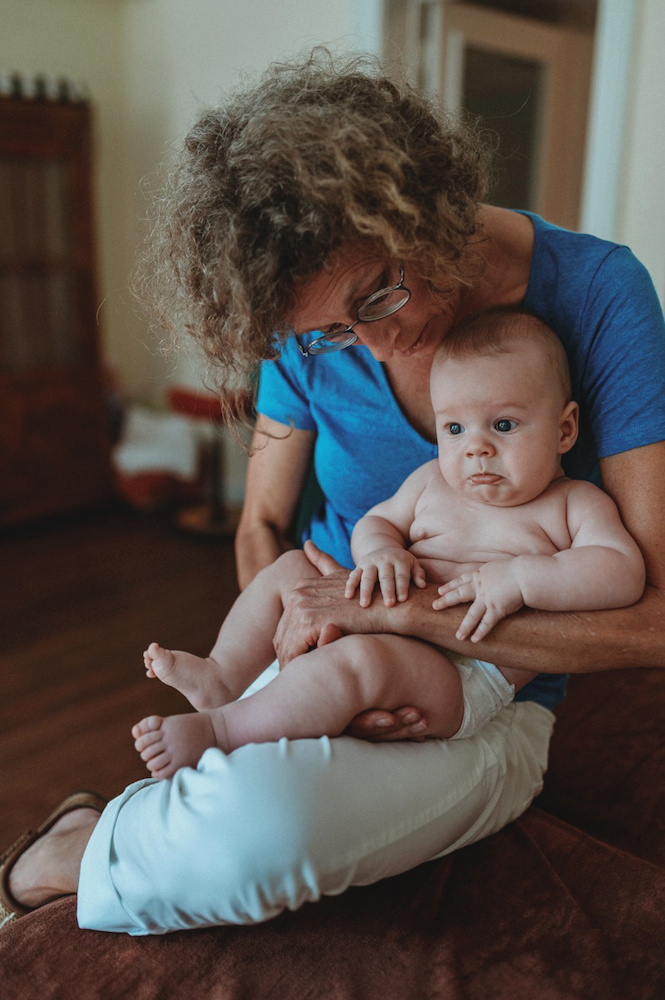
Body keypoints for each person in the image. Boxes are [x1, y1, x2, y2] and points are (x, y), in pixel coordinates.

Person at [1, 50, 664, 936]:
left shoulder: (597, 295)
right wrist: (293, 647)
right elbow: (263, 525)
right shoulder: (307, 324)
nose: (376, 344)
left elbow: (653, 618)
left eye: (377, 294)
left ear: (419, 206)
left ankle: (71, 850)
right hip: (331, 630)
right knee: (242, 783)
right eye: (330, 333)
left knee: (261, 830)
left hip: (477, 698)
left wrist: (404, 622)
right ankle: (140, 811)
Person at [131, 309, 645, 779]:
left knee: (363, 663)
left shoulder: (573, 503)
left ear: (565, 429)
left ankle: (224, 731)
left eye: (504, 425)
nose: (476, 447)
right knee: (290, 568)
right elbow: (376, 522)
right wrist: (382, 552)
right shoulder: (430, 481)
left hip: (461, 670)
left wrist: (521, 578)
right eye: (455, 428)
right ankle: (225, 676)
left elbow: (622, 570)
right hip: (379, 615)